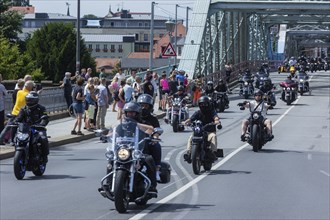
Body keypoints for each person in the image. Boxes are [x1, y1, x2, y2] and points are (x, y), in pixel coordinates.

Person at [120, 102, 158, 194]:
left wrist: (137, 125)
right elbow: (113, 132)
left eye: (133, 113)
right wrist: (105, 135)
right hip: (124, 151)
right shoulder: (122, 125)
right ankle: (109, 183)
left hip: (138, 151)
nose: (130, 115)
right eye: (128, 113)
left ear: (137, 114)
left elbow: (151, 129)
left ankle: (152, 185)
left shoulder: (141, 123)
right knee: (111, 161)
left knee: (149, 159)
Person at [182, 96, 222, 163]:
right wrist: (185, 122)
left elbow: (215, 117)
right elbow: (191, 119)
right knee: (191, 138)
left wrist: (216, 121)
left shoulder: (212, 111)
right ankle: (188, 153)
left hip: (209, 132)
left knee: (213, 136)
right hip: (199, 132)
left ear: (208, 104)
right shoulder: (198, 112)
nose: (203, 105)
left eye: (205, 104)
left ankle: (213, 152)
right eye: (201, 104)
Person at [15, 91, 49, 162]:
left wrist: (42, 124)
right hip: (26, 128)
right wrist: (15, 121)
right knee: (17, 138)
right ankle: (20, 153)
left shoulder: (42, 108)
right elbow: (19, 118)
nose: (29, 101)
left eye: (31, 100)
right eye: (27, 99)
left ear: (36, 100)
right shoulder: (23, 109)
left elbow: (45, 118)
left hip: (38, 128)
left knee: (43, 138)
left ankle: (44, 156)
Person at [137, 94, 162, 182]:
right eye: (141, 105)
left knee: (157, 146)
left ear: (150, 107)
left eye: (146, 106)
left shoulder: (153, 119)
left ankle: (157, 170)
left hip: (146, 141)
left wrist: (155, 138)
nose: (143, 108)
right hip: (133, 142)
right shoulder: (134, 117)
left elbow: (157, 131)